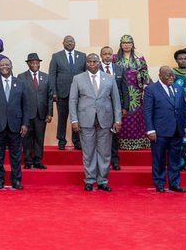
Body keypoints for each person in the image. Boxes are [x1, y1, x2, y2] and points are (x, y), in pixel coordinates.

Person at [70, 53, 121, 191]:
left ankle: (103, 181)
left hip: (105, 120)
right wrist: (74, 120)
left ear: (99, 62)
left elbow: (116, 100)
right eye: (89, 62)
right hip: (85, 120)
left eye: (94, 61)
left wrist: (117, 120)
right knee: (88, 152)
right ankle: (89, 180)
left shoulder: (109, 78)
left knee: (104, 152)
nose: (92, 64)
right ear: (86, 63)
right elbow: (73, 100)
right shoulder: (78, 78)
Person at [0, 57, 30, 190]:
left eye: (7, 64)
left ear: (11, 66)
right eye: (2, 65)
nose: (4, 67)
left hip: (16, 125)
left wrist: (25, 124)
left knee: (16, 156)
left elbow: (25, 106)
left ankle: (16, 180)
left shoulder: (20, 83)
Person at [144, 66, 186, 193]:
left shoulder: (179, 88)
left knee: (175, 159)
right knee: (159, 158)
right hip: (159, 131)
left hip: (177, 130)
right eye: (168, 75)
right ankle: (159, 183)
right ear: (160, 76)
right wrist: (150, 130)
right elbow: (147, 111)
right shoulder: (151, 89)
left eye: (173, 75)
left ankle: (174, 184)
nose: (171, 77)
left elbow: (183, 109)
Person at [48, 35, 86, 151]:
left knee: (77, 118)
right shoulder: (56, 56)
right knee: (62, 118)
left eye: (71, 41)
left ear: (75, 43)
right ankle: (61, 141)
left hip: (79, 94)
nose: (70, 43)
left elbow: (86, 75)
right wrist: (54, 92)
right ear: (63, 43)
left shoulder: (82, 56)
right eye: (67, 41)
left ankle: (77, 141)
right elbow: (52, 75)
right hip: (62, 93)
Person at [114, 35, 149, 151]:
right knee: (121, 114)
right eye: (124, 43)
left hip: (136, 92)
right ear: (121, 45)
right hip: (119, 91)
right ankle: (120, 142)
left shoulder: (139, 59)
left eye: (129, 43)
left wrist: (145, 88)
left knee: (135, 116)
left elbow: (145, 75)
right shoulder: (115, 58)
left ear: (133, 44)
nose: (126, 45)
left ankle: (137, 141)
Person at [18, 53, 53, 169]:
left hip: (41, 114)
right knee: (27, 138)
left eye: (37, 62)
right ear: (28, 64)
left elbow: (50, 96)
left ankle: (38, 161)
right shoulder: (21, 77)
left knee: (39, 138)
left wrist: (50, 113)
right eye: (32, 62)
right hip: (27, 114)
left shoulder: (46, 77)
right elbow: (19, 96)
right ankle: (28, 161)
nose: (35, 64)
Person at [100, 46, 128, 170]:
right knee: (101, 135)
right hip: (100, 108)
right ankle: (102, 162)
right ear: (101, 56)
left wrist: (125, 107)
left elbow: (125, 89)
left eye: (109, 54)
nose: (107, 56)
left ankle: (115, 161)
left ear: (113, 56)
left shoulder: (119, 69)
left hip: (116, 108)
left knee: (115, 134)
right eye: (105, 54)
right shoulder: (96, 69)